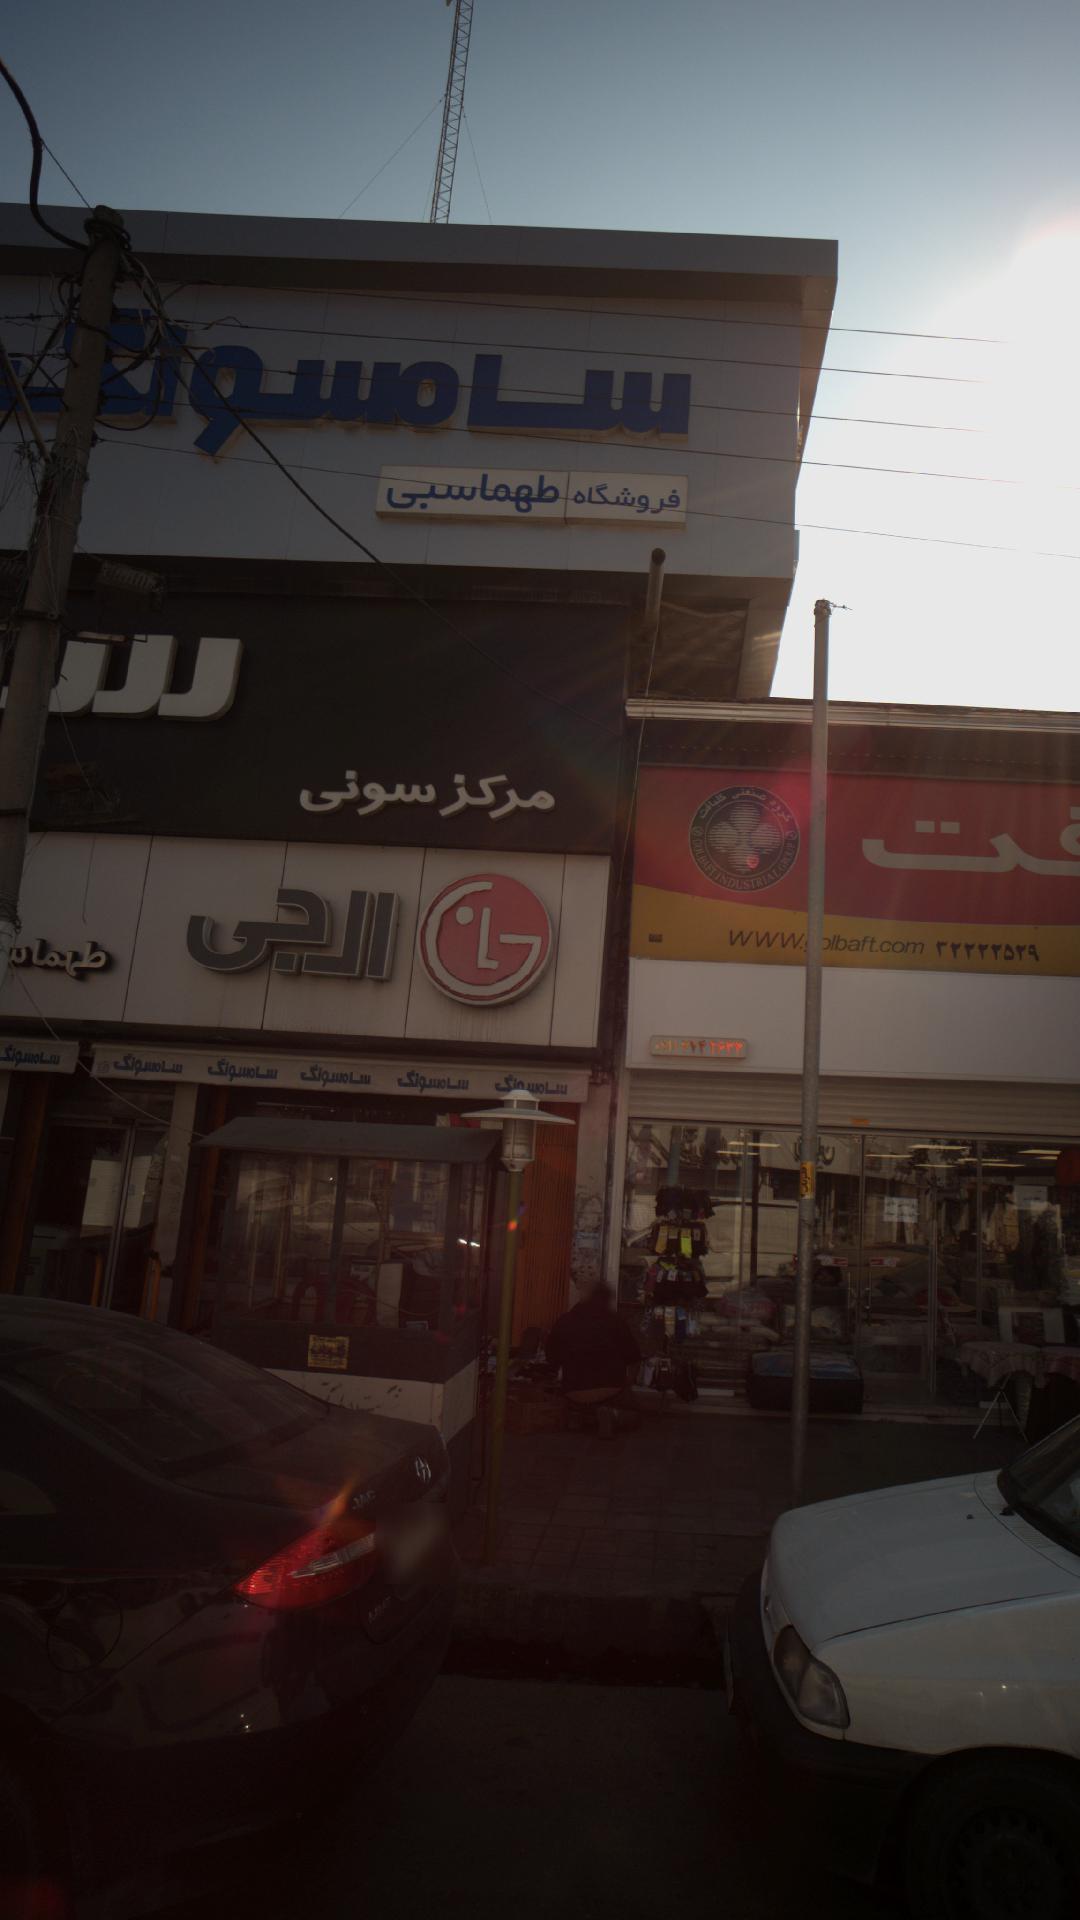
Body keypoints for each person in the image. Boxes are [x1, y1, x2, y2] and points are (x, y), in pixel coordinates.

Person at [546, 1282, 641, 1428]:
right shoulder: (616, 1322)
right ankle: (611, 1415)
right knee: (635, 1414)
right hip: (611, 1388)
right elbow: (634, 1358)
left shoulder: (565, 1320)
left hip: (574, 1389)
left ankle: (582, 1416)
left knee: (574, 1403)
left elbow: (552, 1357)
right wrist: (628, 1383)